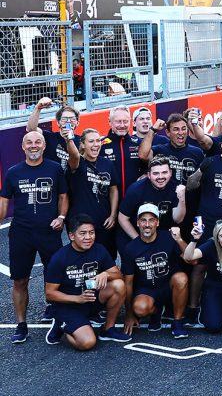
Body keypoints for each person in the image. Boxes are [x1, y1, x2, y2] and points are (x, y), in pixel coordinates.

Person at [2, 131, 69, 344]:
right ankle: (21, 325)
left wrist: (61, 216)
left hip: (49, 232)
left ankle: (57, 318)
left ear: (43, 145)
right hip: (21, 233)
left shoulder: (55, 169)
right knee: (20, 280)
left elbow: (63, 196)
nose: (33, 146)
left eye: (37, 142)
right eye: (29, 142)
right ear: (23, 147)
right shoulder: (13, 172)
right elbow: (4, 203)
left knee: (55, 278)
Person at [43, 217, 130, 349]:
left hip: (90, 298)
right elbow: (49, 294)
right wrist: (77, 299)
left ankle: (108, 329)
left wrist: (106, 274)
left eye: (92, 232)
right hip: (69, 306)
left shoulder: (99, 249)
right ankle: (62, 325)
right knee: (87, 343)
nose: (88, 237)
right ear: (72, 236)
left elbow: (118, 275)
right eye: (82, 233)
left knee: (118, 285)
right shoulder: (60, 258)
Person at [119, 204, 190, 339]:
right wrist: (129, 314)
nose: (147, 224)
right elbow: (127, 283)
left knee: (181, 278)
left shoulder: (168, 238)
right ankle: (156, 312)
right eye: (143, 220)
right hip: (146, 289)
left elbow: (191, 260)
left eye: (151, 220)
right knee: (140, 308)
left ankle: (177, 322)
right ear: (138, 223)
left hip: (169, 286)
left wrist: (179, 239)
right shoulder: (130, 249)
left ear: (157, 222)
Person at [66, 128, 120, 259]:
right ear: (83, 144)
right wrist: (68, 139)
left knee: (107, 258)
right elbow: (74, 156)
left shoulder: (107, 163)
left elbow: (113, 189)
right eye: (91, 141)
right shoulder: (77, 163)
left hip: (104, 221)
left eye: (98, 141)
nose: (96, 144)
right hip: (80, 223)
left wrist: (113, 215)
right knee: (84, 260)